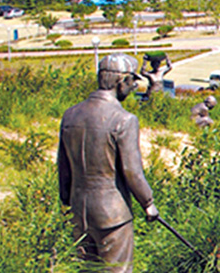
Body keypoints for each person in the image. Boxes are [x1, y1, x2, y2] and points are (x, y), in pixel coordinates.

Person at [58, 53, 158, 272]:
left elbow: (63, 167)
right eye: (132, 81)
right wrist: (148, 203)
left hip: (79, 210)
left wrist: (66, 198)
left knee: (87, 269)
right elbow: (132, 171)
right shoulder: (124, 120)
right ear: (122, 81)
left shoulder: (70, 115)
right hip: (112, 215)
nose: (133, 87)